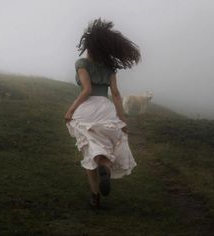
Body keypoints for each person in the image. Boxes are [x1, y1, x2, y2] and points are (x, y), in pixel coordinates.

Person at [65, 18, 141, 209]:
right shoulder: (110, 67)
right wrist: (122, 121)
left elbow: (86, 89)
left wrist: (71, 110)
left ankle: (95, 196)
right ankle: (105, 168)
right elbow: (115, 94)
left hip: (87, 109)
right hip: (106, 108)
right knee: (105, 145)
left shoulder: (82, 63)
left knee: (90, 148)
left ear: (90, 45)